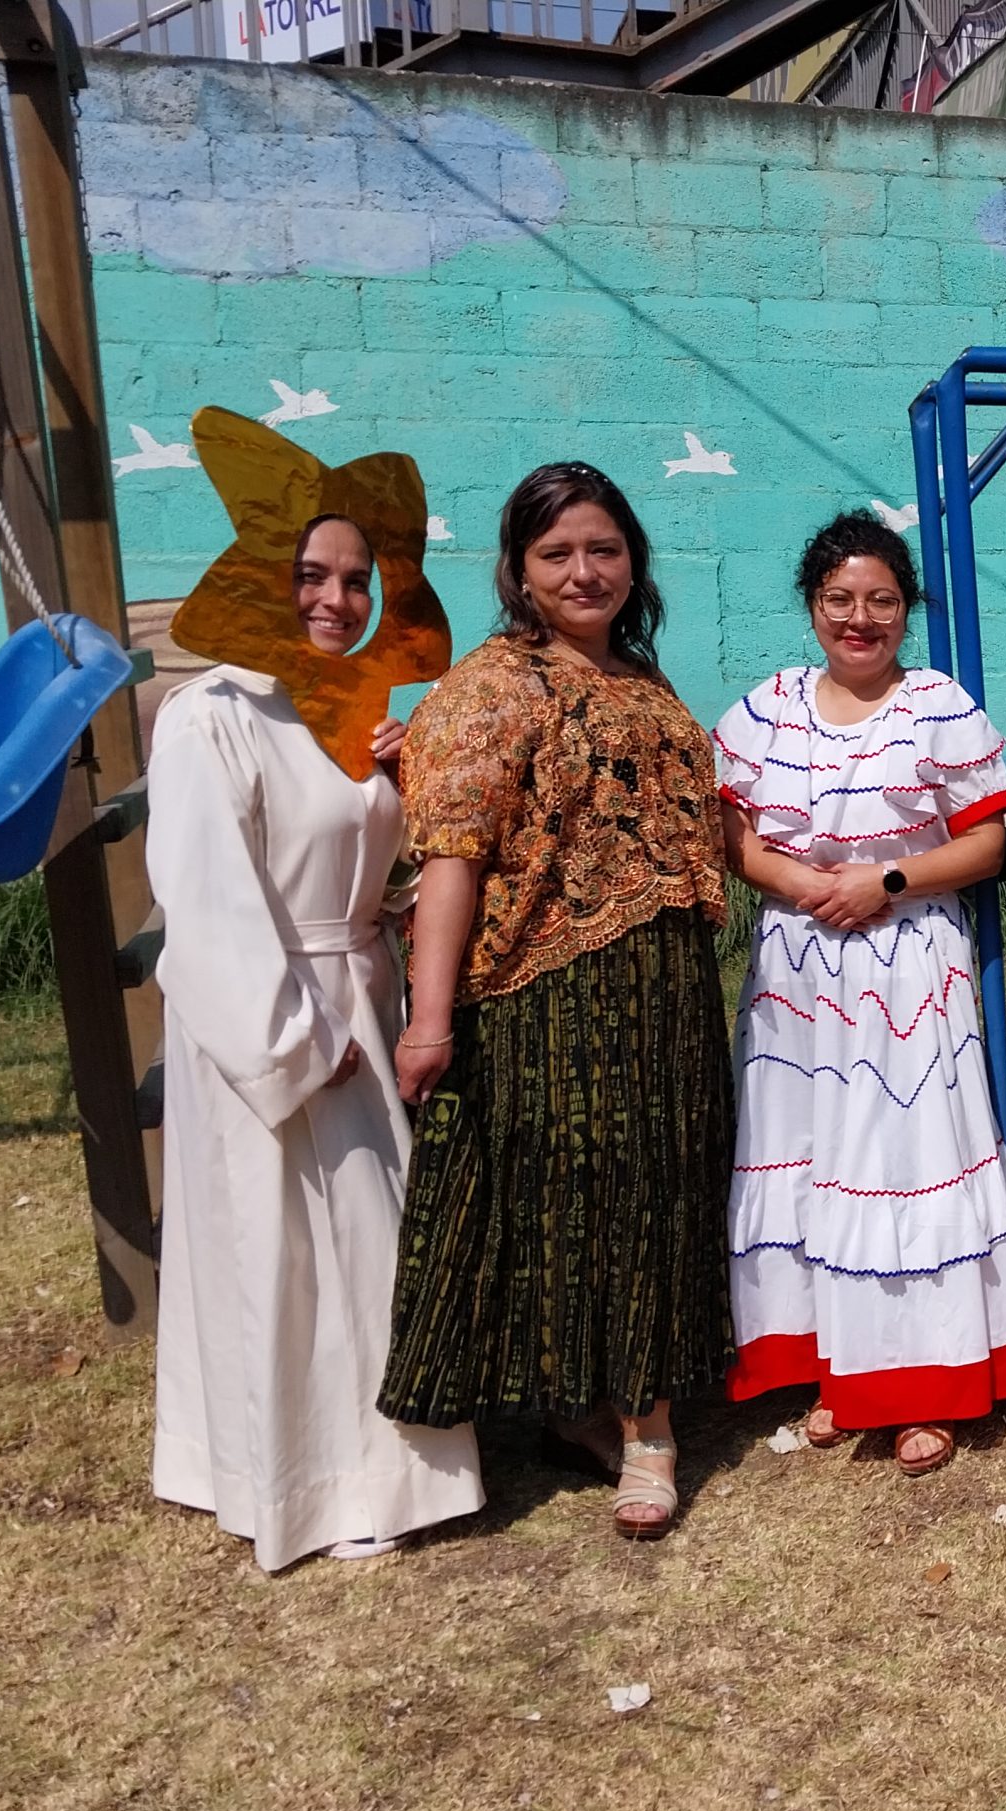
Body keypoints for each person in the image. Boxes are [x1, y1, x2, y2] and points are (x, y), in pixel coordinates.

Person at [377, 465, 734, 1541]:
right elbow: (453, 858)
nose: (585, 572)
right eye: (557, 554)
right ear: (519, 573)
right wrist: (428, 1019)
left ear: (633, 561)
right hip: (549, 992)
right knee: (585, 1204)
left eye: (604, 550)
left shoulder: (643, 680)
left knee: (657, 1194)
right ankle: (642, 1433)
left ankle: (616, 1409)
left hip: (665, 988)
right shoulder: (490, 687)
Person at [149, 515, 483, 1570]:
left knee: (368, 1247)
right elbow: (206, 899)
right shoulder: (209, 714)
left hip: (357, 990)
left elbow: (365, 870)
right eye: (308, 577)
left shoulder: (353, 713)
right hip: (275, 1012)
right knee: (280, 1249)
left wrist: (398, 776)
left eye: (352, 581)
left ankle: (386, 1471)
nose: (334, 600)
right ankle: (304, 1482)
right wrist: (291, 1034)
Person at [719, 512, 1006, 1478]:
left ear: (905, 610)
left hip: (904, 963)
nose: (858, 620)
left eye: (880, 602)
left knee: (900, 1157)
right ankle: (835, 1363)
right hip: (797, 968)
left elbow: (989, 841)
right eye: (839, 601)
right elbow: (730, 830)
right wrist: (798, 885)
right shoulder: (771, 706)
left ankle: (922, 1379)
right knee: (809, 1153)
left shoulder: (937, 704)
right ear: (812, 605)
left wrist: (886, 882)